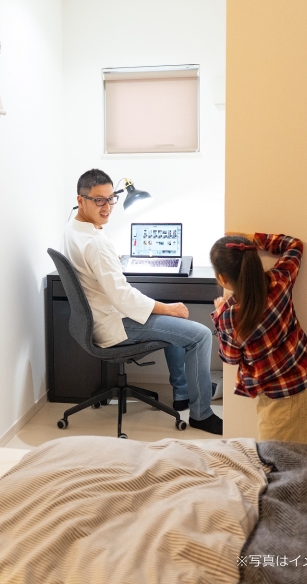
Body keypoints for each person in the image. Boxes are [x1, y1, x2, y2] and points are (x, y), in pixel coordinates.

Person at [62, 169, 222, 434]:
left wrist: (162, 308)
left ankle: (183, 393)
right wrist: (166, 307)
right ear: (81, 200)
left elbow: (108, 283)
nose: (107, 207)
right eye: (99, 200)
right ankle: (201, 414)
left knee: (174, 321)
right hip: (114, 325)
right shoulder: (96, 244)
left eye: (111, 198)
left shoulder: (73, 229)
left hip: (97, 318)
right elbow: (123, 297)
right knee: (201, 335)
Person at [209, 232, 307, 449]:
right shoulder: (279, 281)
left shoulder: (230, 316)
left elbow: (230, 357)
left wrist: (219, 313)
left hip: (277, 401)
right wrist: (254, 238)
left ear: (222, 279)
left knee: (276, 460)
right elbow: (294, 246)